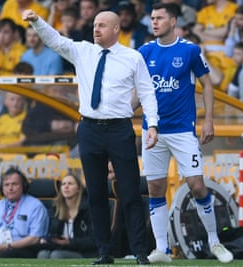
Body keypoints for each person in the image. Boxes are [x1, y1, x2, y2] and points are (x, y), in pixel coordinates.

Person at [22, 8, 159, 265]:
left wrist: (152, 125)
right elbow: (55, 40)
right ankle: (104, 252)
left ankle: (140, 252)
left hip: (119, 129)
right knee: (95, 193)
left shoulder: (132, 57)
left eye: (103, 25)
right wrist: (37, 22)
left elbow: (147, 93)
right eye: (95, 24)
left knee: (129, 193)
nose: (96, 29)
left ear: (116, 29)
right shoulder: (83, 50)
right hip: (89, 129)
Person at [138, 3, 233, 264]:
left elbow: (208, 84)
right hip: (152, 131)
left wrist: (208, 120)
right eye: (152, 18)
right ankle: (161, 249)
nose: (154, 22)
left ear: (173, 21)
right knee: (155, 188)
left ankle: (214, 241)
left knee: (197, 185)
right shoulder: (144, 52)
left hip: (182, 131)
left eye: (159, 18)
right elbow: (139, 91)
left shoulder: (190, 50)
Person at [0, 167, 49, 258]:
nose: (10, 188)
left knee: (6, 255)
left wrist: (7, 246)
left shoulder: (36, 206)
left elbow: (34, 238)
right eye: (6, 185)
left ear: (23, 186)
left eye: (14, 184)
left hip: (24, 249)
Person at [37, 174, 96, 258]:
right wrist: (49, 240)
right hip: (60, 248)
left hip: (84, 252)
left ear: (79, 189)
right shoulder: (55, 209)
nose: (66, 186)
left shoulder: (87, 210)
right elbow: (52, 234)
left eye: (70, 184)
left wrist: (69, 242)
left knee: (56, 255)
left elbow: (93, 241)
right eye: (63, 184)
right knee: (43, 254)